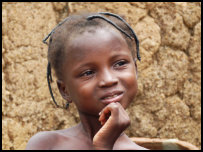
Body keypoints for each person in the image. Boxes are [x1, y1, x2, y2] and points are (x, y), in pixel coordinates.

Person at [25, 12, 148, 150]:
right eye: (88, 73)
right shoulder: (47, 145)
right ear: (65, 90)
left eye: (119, 64)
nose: (108, 80)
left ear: (135, 70)